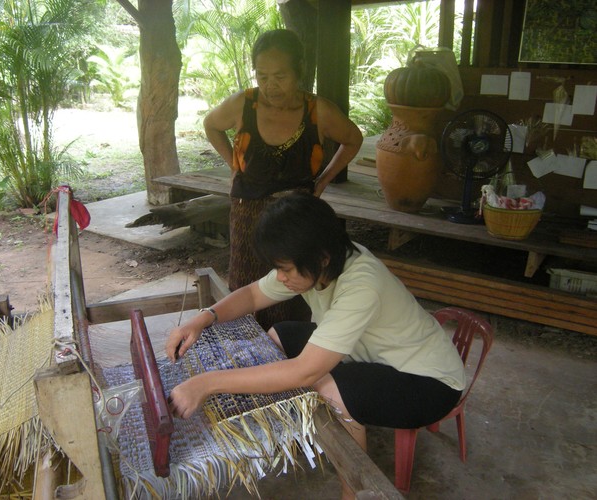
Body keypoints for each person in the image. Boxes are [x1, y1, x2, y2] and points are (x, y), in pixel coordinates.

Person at [166, 192, 466, 500]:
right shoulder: (320, 260)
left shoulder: (362, 283)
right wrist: (202, 320)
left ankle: (351, 492)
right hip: (370, 352)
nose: (280, 278)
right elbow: (254, 295)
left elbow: (305, 372)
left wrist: (206, 384)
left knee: (331, 388)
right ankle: (292, 427)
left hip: (430, 382)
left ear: (321, 257)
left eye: (285, 269)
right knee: (281, 335)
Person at [203, 28, 363, 331]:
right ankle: (246, 352)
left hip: (297, 219)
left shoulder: (318, 112)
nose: (270, 86)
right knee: (245, 284)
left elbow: (353, 139)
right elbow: (211, 125)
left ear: (299, 71)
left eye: (280, 76)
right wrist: (233, 165)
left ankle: (288, 355)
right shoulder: (243, 104)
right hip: (247, 210)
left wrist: (325, 180)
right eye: (262, 76)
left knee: (293, 286)